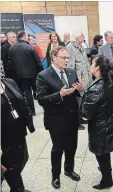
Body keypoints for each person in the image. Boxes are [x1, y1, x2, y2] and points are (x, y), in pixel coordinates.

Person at [36, 46, 84, 189]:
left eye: (68, 58)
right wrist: (59, 95)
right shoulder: (43, 75)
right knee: (58, 148)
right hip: (56, 119)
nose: (67, 60)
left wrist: (80, 90)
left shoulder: (70, 72)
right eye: (63, 58)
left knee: (72, 146)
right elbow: (41, 99)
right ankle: (55, 176)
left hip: (72, 117)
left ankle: (69, 169)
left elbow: (75, 93)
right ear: (54, 58)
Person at [81, 55, 113, 190]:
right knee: (105, 153)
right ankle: (106, 172)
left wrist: (83, 101)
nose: (90, 65)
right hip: (108, 123)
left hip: (99, 128)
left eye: (92, 63)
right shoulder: (108, 81)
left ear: (97, 68)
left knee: (101, 154)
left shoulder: (96, 88)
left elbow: (86, 114)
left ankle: (107, 180)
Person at [1, 60, 35, 192]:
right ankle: (17, 188)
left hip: (19, 132)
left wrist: (29, 122)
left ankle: (16, 184)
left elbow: (22, 101)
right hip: (4, 139)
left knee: (22, 159)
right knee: (10, 166)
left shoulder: (9, 82)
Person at [8, 30, 43, 116]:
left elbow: (10, 62)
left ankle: (32, 111)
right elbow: (38, 62)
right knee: (39, 92)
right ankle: (46, 107)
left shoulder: (12, 48)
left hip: (21, 75)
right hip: (33, 74)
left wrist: (17, 71)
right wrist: (41, 73)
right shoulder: (30, 47)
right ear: (24, 37)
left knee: (27, 93)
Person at [67, 28, 92, 130]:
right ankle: (76, 122)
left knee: (82, 100)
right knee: (77, 102)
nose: (84, 38)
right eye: (82, 36)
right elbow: (70, 66)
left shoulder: (80, 47)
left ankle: (81, 117)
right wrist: (75, 81)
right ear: (77, 37)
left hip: (85, 79)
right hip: (78, 80)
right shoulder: (70, 48)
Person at [98, 30, 113, 115]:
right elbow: (100, 63)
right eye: (111, 38)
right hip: (107, 75)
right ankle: (107, 109)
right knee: (108, 93)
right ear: (106, 38)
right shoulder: (101, 49)